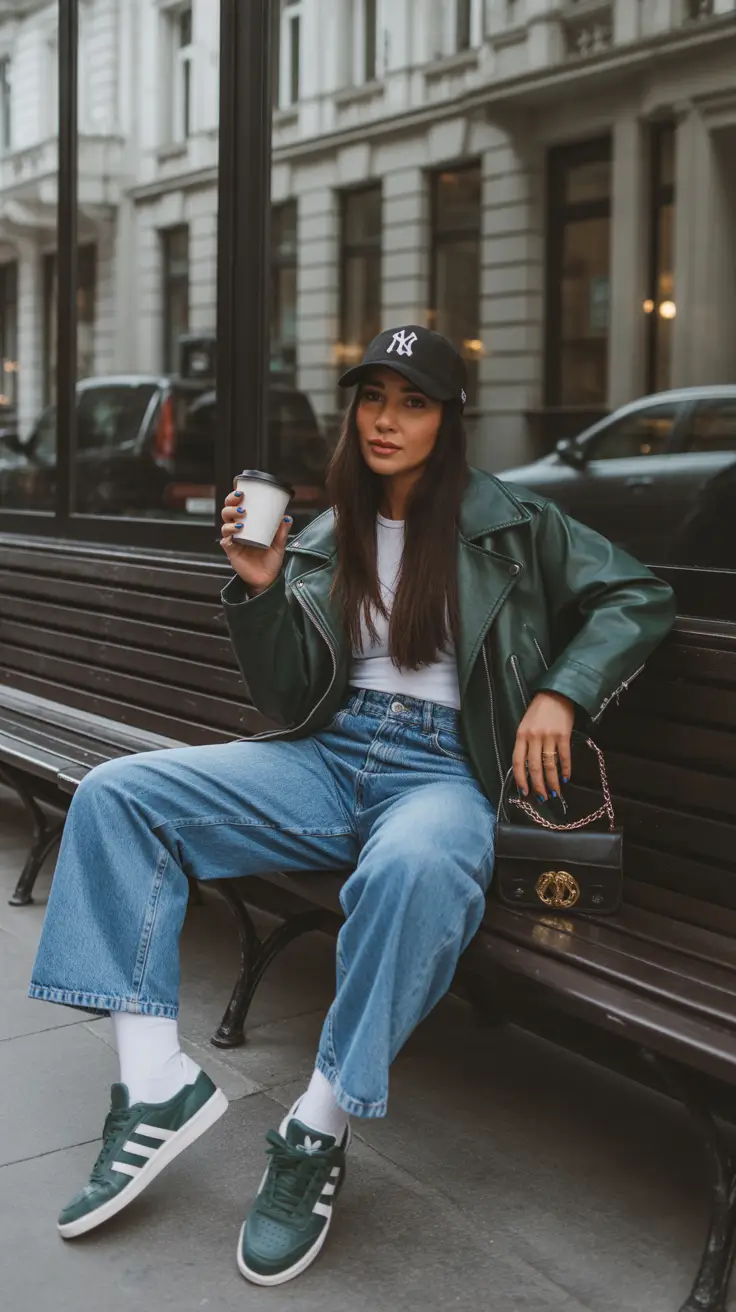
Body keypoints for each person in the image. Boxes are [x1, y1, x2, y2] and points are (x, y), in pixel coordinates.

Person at [28, 325, 676, 1287]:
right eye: (373, 397)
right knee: (122, 794)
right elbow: (290, 703)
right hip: (331, 758)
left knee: (417, 867)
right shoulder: (326, 534)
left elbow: (638, 593)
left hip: (445, 773)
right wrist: (259, 591)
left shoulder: (515, 523)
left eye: (413, 401)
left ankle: (314, 1126)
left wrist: (561, 691)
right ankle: (155, 1084)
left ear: (449, 420)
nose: (387, 419)